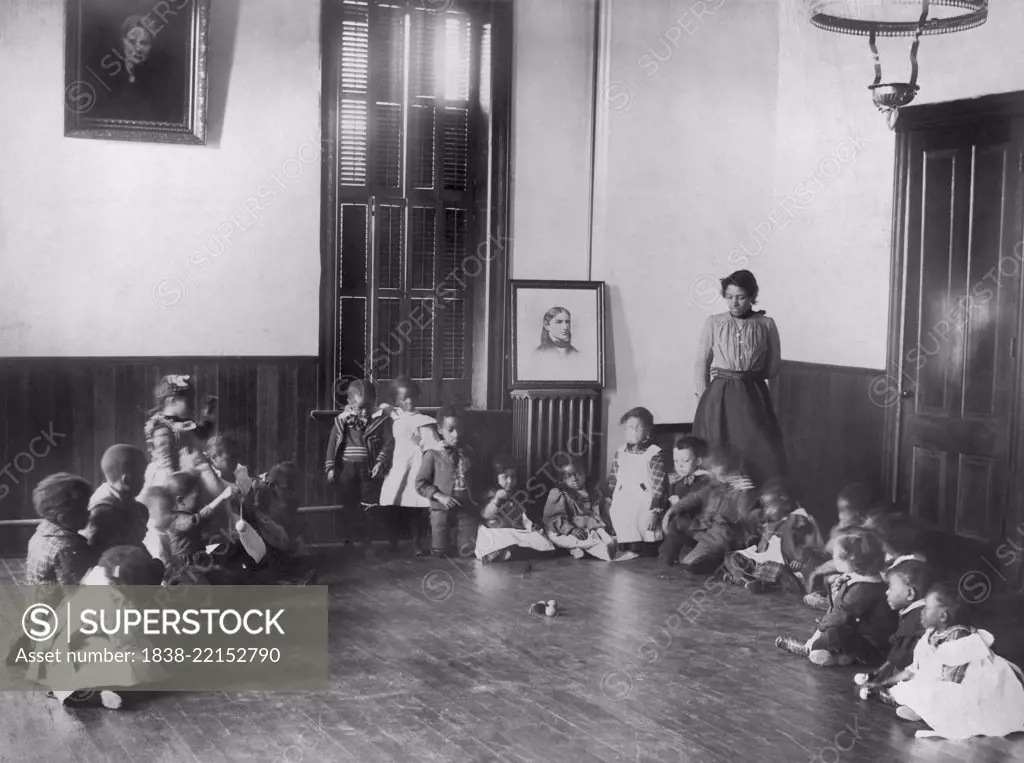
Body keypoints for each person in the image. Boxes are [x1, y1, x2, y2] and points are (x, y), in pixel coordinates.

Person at [868, 582, 1024, 739]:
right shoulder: (931, 635)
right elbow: (915, 668)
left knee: (936, 694)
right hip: (943, 679)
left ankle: (926, 712)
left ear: (943, 616)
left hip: (968, 684)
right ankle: (915, 706)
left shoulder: (960, 639)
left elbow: (953, 681)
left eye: (927, 608)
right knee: (910, 687)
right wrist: (886, 682)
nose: (921, 612)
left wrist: (930, 686)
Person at [32, 546, 167, 710]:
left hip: (63, 639)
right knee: (136, 662)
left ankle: (80, 690)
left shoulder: (94, 582)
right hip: (78, 644)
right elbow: (122, 638)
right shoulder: (117, 603)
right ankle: (95, 693)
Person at [693, 270, 785, 487]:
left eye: (741, 297)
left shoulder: (766, 324)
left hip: (753, 394)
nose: (734, 302)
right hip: (719, 398)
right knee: (718, 447)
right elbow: (701, 364)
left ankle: (754, 502)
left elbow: (774, 366)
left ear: (751, 297)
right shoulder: (713, 322)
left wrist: (749, 375)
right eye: (729, 296)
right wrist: (705, 399)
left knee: (757, 446)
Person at [776, 529, 897, 667]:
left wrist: (813, 639)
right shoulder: (869, 579)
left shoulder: (860, 590)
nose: (833, 559)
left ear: (850, 561)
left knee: (829, 637)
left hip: (875, 647)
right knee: (832, 628)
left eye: (835, 556)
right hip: (871, 635)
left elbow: (838, 616)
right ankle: (844, 655)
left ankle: (810, 650)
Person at [659, 445, 757, 572]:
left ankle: (718, 561)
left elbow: (745, 516)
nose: (716, 476)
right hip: (703, 527)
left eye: (721, 474)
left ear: (733, 470)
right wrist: (672, 510)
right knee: (678, 521)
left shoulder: (743, 488)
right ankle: (667, 555)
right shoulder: (715, 483)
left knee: (689, 563)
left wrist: (745, 493)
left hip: (721, 535)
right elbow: (695, 497)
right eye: (714, 472)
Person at [723, 478, 824, 594]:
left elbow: (814, 545)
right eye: (765, 507)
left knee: (779, 571)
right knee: (732, 557)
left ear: (784, 501)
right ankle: (749, 581)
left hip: (784, 566)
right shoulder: (769, 520)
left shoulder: (801, 520)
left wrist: (801, 558)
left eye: (770, 506)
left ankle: (761, 583)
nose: (767, 510)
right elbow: (748, 520)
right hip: (763, 563)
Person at [854, 556, 931, 703]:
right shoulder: (914, 612)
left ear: (910, 594)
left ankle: (887, 692)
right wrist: (880, 671)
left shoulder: (916, 620)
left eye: (891, 588)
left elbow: (903, 658)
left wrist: (884, 679)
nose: (886, 592)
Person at [325, 379, 392, 548]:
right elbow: (332, 444)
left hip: (368, 469)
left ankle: (366, 539)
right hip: (347, 470)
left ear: (374, 403)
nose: (364, 412)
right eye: (359, 407)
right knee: (348, 504)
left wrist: (380, 462)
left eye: (367, 408)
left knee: (368, 505)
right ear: (349, 403)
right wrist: (331, 467)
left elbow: (388, 442)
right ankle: (348, 539)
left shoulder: (380, 421)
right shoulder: (341, 421)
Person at [378, 377, 440, 555]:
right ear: (397, 400)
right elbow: (384, 408)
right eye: (404, 398)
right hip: (398, 466)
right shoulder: (396, 414)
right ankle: (392, 541)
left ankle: (417, 543)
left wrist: (425, 442)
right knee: (390, 501)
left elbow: (433, 444)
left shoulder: (423, 420)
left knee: (416, 505)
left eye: (412, 397)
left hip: (416, 465)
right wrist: (389, 408)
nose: (410, 401)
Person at [91, 14, 187, 124]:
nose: (138, 48)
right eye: (132, 42)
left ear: (151, 46)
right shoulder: (106, 76)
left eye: (144, 43)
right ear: (122, 41)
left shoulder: (161, 79)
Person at [415, 404, 477, 558]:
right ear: (440, 429)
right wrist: (440, 496)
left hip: (465, 508)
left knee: (467, 552)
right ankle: (437, 541)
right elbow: (420, 484)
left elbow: (478, 479)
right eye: (451, 430)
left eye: (459, 429)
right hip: (441, 510)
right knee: (440, 553)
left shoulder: (469, 452)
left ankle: (461, 539)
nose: (456, 435)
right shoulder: (432, 454)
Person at [607, 407, 668, 557]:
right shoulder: (621, 451)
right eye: (630, 427)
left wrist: (655, 511)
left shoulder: (653, 452)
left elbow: (659, 485)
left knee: (645, 536)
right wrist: (610, 496)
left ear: (648, 430)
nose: (634, 431)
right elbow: (613, 477)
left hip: (644, 501)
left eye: (639, 427)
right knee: (625, 531)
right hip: (624, 500)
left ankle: (647, 548)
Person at [142, 374, 216, 492]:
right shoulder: (160, 424)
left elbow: (202, 433)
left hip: (182, 471)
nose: (192, 406)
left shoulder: (183, 422)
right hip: (164, 473)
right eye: (188, 401)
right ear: (173, 401)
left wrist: (208, 417)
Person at [543, 457, 626, 561]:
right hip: (566, 528)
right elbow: (554, 517)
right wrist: (570, 529)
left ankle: (580, 548)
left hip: (591, 525)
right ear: (563, 479)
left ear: (585, 472)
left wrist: (608, 524)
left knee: (602, 534)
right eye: (568, 476)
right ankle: (587, 548)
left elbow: (602, 511)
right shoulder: (559, 493)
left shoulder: (594, 490)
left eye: (577, 474)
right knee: (575, 538)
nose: (574, 479)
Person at [475, 455, 555, 563]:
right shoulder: (491, 492)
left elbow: (524, 514)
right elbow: (485, 514)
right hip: (496, 530)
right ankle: (504, 552)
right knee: (493, 540)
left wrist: (531, 524)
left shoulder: (518, 493)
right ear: (496, 477)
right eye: (505, 477)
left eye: (513, 477)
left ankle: (516, 551)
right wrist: (496, 500)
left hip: (515, 529)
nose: (509, 481)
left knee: (537, 538)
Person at [24, 474, 95, 587]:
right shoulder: (67, 548)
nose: (89, 513)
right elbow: (81, 591)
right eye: (84, 509)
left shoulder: (41, 533)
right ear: (63, 517)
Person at [83, 445, 150, 554]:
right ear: (126, 478)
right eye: (141, 475)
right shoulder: (103, 512)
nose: (144, 481)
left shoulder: (126, 500)